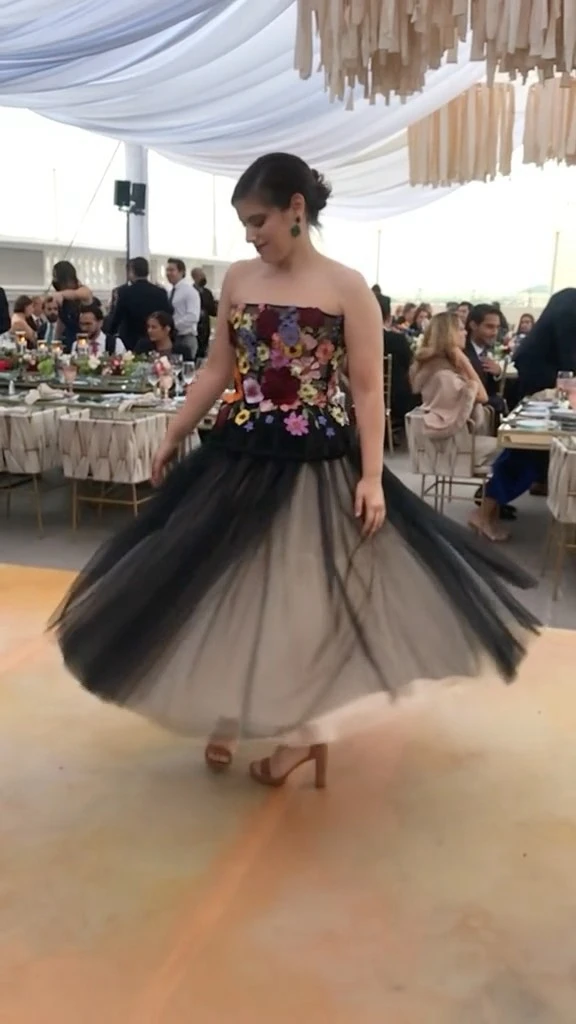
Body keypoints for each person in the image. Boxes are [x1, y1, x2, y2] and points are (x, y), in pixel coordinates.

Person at [51, 152, 539, 790]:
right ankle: (231, 709)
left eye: (259, 221)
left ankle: (304, 737)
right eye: (245, 225)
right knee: (224, 582)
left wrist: (372, 476)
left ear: (296, 210)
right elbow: (219, 368)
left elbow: (369, 390)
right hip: (238, 451)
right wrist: (174, 430)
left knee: (302, 597)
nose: (251, 236)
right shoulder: (238, 280)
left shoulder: (347, 287)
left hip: (318, 462)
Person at [513, 289, 576, 399]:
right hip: (539, 367)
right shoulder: (570, 304)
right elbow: (567, 350)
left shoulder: (568, 296)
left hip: (535, 362)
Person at [106, 257, 171, 351]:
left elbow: (117, 317)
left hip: (130, 339)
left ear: (132, 271)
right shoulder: (160, 292)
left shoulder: (125, 292)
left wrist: (109, 333)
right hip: (155, 339)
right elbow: (167, 314)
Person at [378, 293, 417, 429]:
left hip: (361, 398)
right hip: (397, 400)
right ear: (389, 317)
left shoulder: (356, 341)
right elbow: (410, 366)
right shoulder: (398, 340)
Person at [51, 261, 92, 352]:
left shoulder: (82, 290)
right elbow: (61, 322)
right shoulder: (63, 299)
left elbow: (83, 294)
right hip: (70, 340)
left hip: (86, 339)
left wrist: (61, 294)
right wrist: (55, 341)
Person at [166, 258, 200, 359]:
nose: (168, 273)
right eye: (167, 270)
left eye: (172, 270)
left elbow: (193, 316)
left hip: (186, 337)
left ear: (181, 272)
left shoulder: (190, 292)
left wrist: (173, 325)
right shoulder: (170, 292)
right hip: (173, 338)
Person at [192, 267, 218, 360]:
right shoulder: (190, 291)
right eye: (201, 275)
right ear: (194, 277)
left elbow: (213, 311)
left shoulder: (207, 292)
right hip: (195, 327)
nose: (203, 277)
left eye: (204, 275)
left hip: (205, 327)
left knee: (203, 353)